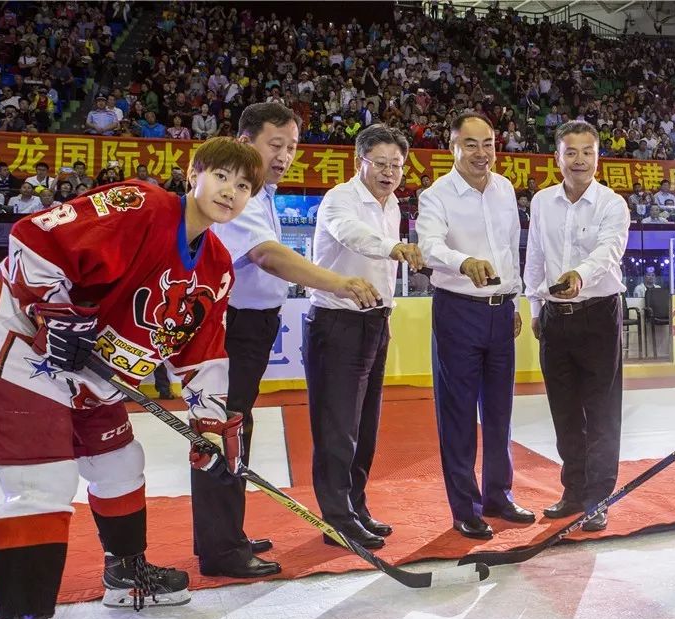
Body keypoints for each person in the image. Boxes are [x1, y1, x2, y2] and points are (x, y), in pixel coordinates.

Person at [0, 137, 265, 619]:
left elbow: (201, 353)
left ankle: (126, 573)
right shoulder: (140, 204)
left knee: (122, 462)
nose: (232, 192)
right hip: (17, 347)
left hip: (90, 372)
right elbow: (36, 236)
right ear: (193, 173)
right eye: (222, 176)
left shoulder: (216, 265)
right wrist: (57, 313)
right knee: (42, 486)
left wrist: (212, 428)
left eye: (245, 186)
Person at [201, 103, 380, 578]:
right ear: (244, 143)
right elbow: (267, 256)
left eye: (292, 147)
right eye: (274, 145)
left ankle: (228, 534)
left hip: (254, 325)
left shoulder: (261, 197)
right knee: (223, 429)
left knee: (236, 428)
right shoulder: (233, 197)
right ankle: (221, 550)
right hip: (230, 326)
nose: (283, 156)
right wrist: (336, 282)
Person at [304, 125, 423, 549]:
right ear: (360, 163)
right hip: (337, 323)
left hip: (376, 322)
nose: (390, 172)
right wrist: (393, 249)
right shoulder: (340, 198)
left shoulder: (392, 206)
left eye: (397, 165)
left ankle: (355, 504)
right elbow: (350, 235)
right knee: (337, 426)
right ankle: (336, 519)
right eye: (381, 164)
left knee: (365, 425)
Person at [417, 113, 534, 540]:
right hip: (458, 311)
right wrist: (462, 262)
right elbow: (428, 246)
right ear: (453, 147)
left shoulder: (504, 188)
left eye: (488, 143)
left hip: (502, 312)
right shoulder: (437, 195)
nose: (481, 153)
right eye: (471, 144)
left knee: (500, 412)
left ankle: (498, 496)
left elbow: (509, 249)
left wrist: (516, 299)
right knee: (459, 414)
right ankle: (465, 507)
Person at [523, 121, 629, 530]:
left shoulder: (612, 204)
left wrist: (578, 276)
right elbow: (534, 255)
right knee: (564, 411)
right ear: (558, 158)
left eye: (587, 151)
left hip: (598, 314)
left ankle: (599, 497)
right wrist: (534, 307)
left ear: (598, 158)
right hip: (553, 319)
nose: (579, 159)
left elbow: (608, 252)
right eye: (571, 152)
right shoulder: (542, 203)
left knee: (601, 411)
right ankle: (572, 491)